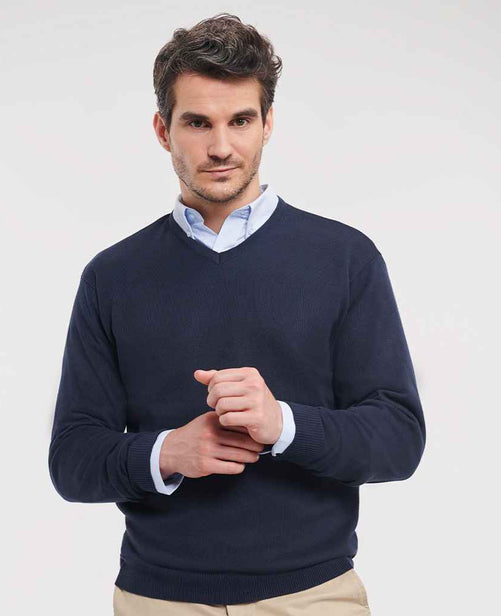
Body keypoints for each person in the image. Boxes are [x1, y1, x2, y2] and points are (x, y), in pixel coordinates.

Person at [48, 12, 426, 616]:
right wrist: (167, 452)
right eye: (197, 122)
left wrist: (284, 424)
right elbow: (72, 459)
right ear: (163, 129)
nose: (221, 147)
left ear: (268, 123)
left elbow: (399, 439)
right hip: (157, 600)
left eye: (240, 120)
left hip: (313, 598)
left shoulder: (346, 259)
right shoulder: (111, 276)